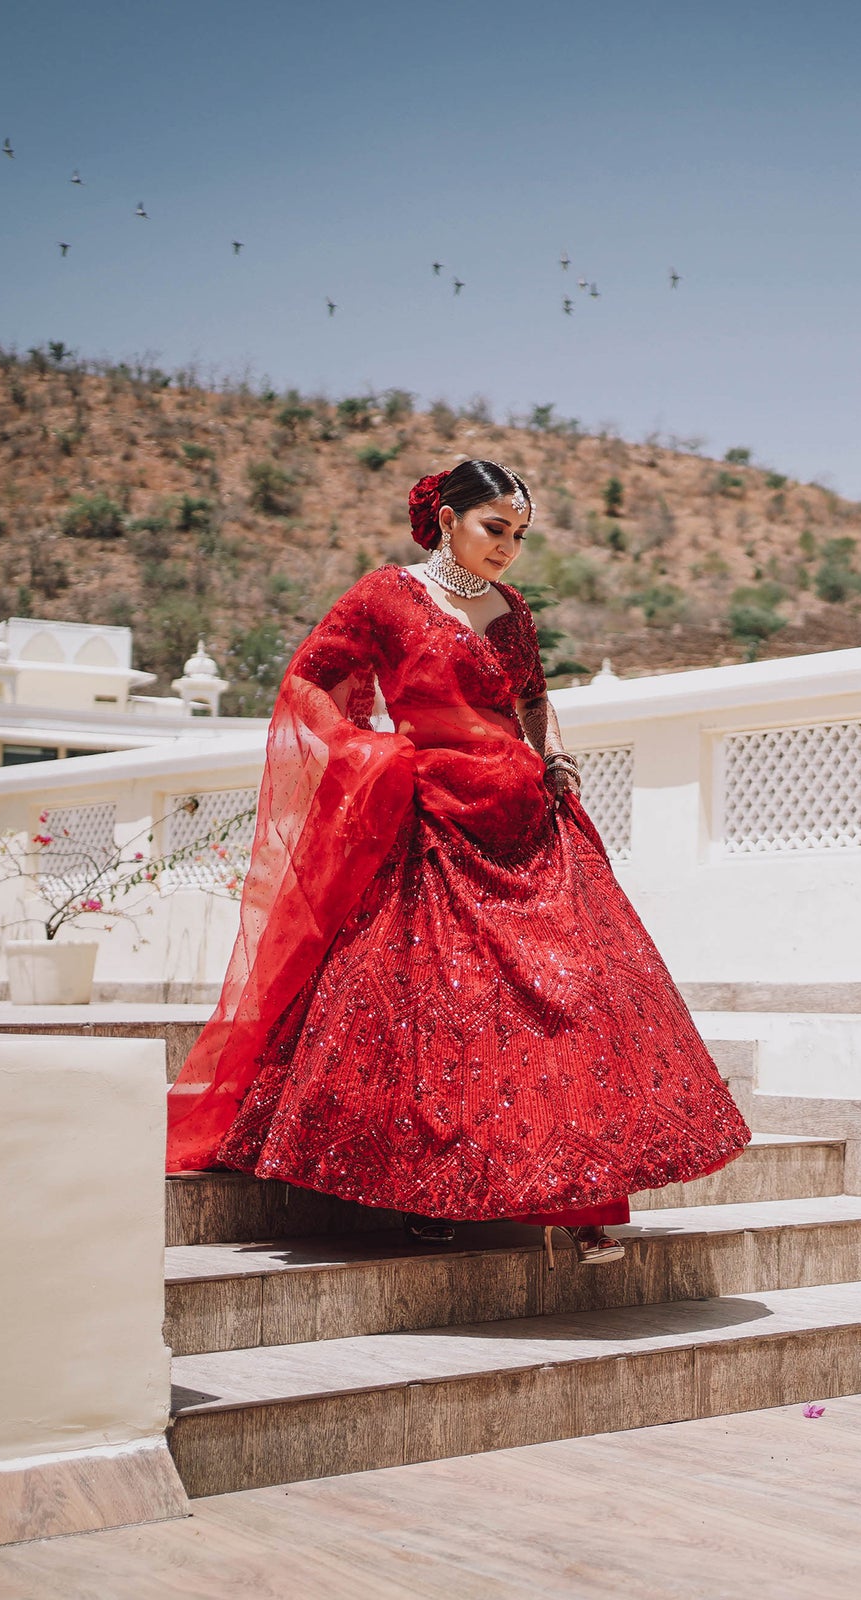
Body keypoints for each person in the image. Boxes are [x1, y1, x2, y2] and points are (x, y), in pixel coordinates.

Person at [166, 461, 749, 1264]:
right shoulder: (385, 595)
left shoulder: (511, 608)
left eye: (519, 534)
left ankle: (580, 1198)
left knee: (574, 991)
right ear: (447, 519)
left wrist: (557, 763)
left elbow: (534, 697)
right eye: (494, 528)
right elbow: (311, 683)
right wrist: (367, 753)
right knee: (433, 1002)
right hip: (427, 818)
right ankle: (429, 1194)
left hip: (526, 817)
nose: (509, 548)